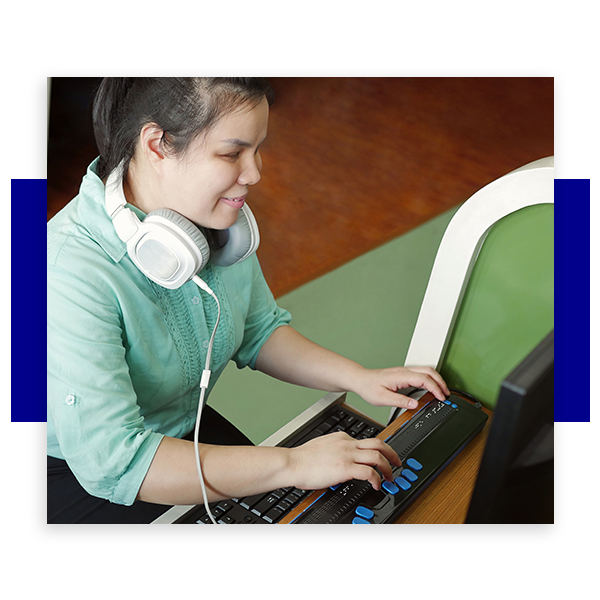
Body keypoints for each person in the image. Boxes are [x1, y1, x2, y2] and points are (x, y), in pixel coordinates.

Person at [47, 77, 450, 524]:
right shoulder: (66, 270)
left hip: (178, 431)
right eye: (231, 153)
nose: (255, 172)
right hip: (82, 468)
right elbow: (116, 461)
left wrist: (360, 378)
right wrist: (294, 464)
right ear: (158, 144)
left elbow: (259, 328)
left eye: (257, 149)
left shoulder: (213, 224)